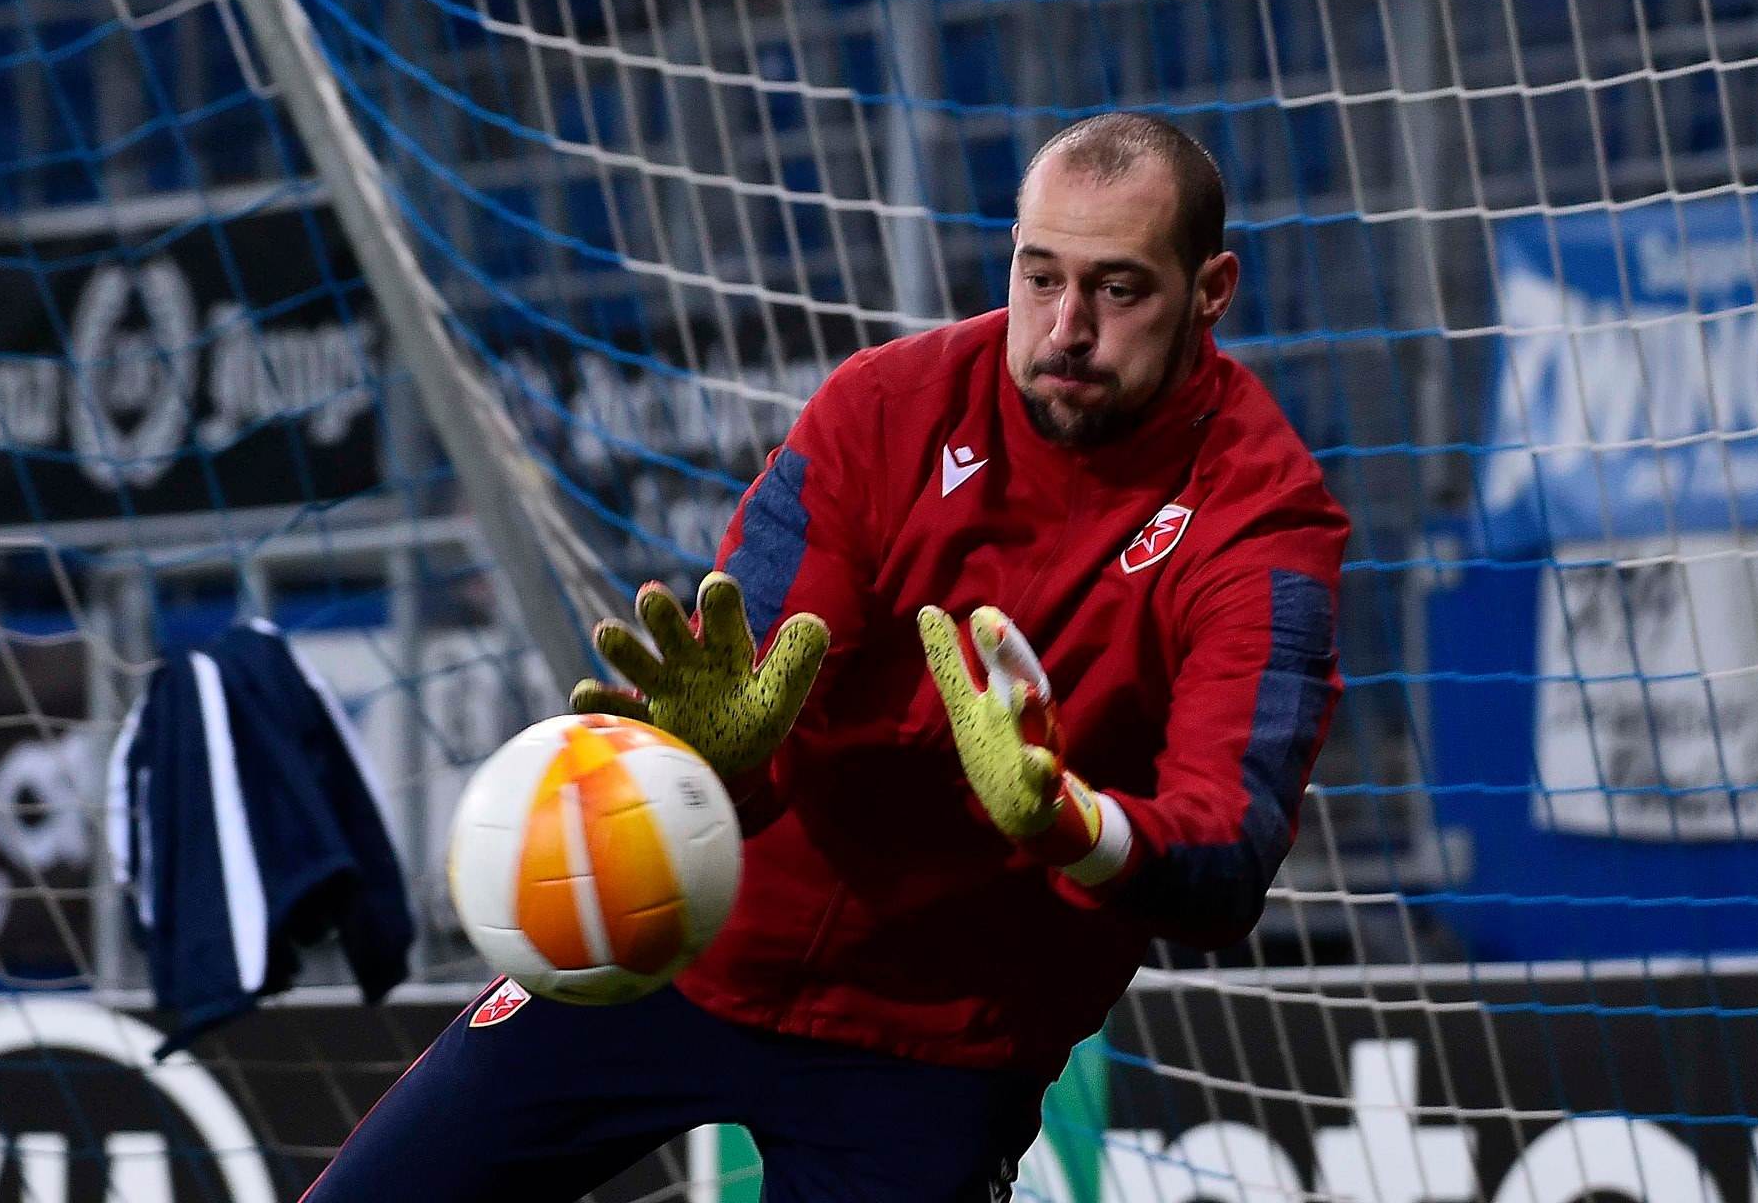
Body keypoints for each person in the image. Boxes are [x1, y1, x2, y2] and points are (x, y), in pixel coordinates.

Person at [303, 113, 1348, 1202]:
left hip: (938, 1049)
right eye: (1040, 277)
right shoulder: (886, 405)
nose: (1065, 328)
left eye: (1119, 289)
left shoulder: (1265, 519)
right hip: (677, 941)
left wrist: (1067, 823)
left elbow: (1230, 851)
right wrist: (721, 762)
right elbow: (752, 691)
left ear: (1211, 289)